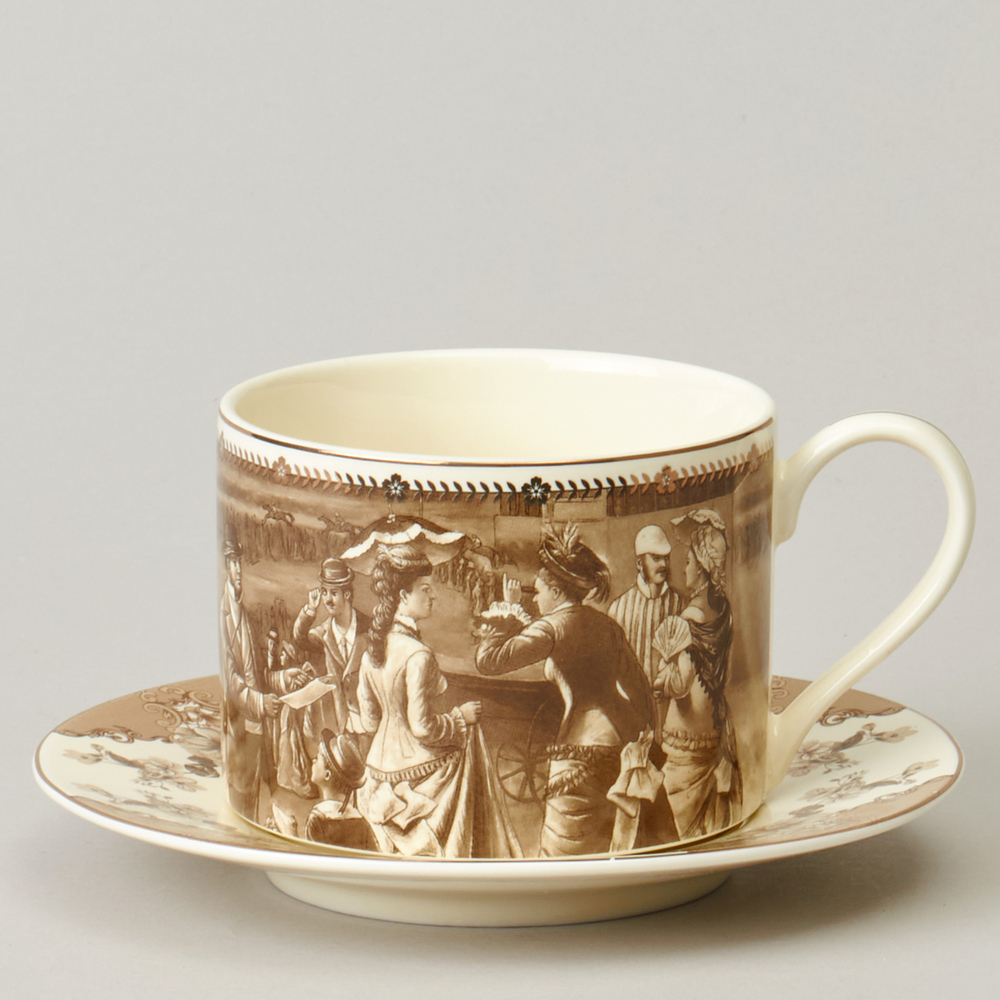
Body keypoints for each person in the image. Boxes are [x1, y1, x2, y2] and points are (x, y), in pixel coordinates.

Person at [476, 523, 677, 857]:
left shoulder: (552, 626)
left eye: (538, 591)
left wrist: (507, 609)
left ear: (557, 592)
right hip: (621, 744)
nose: (535, 599)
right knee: (608, 837)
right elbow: (640, 690)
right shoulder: (607, 625)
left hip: (579, 750)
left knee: (567, 849)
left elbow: (489, 661)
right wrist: (640, 743)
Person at [355, 544, 521, 858]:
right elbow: (422, 728)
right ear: (403, 596)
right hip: (413, 773)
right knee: (470, 741)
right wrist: (460, 718)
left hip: (376, 771)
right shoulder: (418, 655)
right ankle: (480, 851)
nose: (433, 596)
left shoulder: (372, 651)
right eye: (425, 589)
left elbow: (370, 722)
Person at [653, 513, 743, 839]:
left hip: (687, 736)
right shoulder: (724, 612)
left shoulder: (690, 616)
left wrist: (662, 677)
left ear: (703, 568)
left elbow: (680, 686)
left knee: (675, 819)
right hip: (713, 729)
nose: (684, 568)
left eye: (689, 562)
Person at [219, 531, 279, 823]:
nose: (239, 569)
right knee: (242, 801)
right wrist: (260, 703)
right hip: (242, 726)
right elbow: (232, 680)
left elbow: (254, 672)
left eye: (240, 562)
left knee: (252, 798)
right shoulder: (226, 613)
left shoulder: (241, 611)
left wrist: (282, 678)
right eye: (233, 562)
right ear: (225, 565)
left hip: (254, 724)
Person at [293, 558, 371, 746]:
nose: (327, 600)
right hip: (340, 725)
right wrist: (309, 610)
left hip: (370, 723)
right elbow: (300, 639)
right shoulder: (323, 633)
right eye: (324, 592)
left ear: (347, 594)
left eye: (334, 593)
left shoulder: (369, 629)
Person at [608, 525, 683, 695]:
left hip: (669, 702)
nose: (663, 564)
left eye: (666, 558)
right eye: (656, 558)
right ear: (639, 563)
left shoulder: (679, 605)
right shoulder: (618, 609)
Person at [304, 729, 379, 851]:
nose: (313, 760)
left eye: (317, 758)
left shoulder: (317, 821)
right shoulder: (362, 823)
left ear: (327, 775)